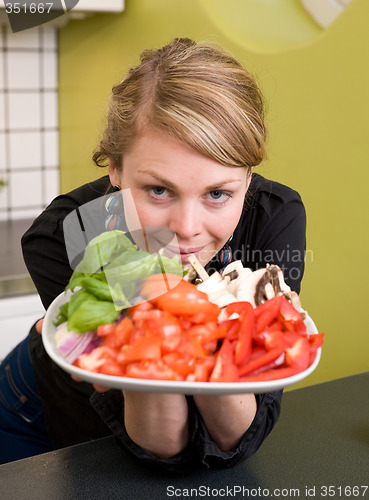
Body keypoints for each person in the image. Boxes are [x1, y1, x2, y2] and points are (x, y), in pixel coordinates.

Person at [0, 38, 306, 470]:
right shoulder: (65, 233)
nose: (186, 227)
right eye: (158, 190)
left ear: (249, 177)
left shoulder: (274, 218)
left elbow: (239, 435)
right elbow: (161, 443)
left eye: (218, 193)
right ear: (115, 170)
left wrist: (167, 328)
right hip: (33, 414)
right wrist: (203, 330)